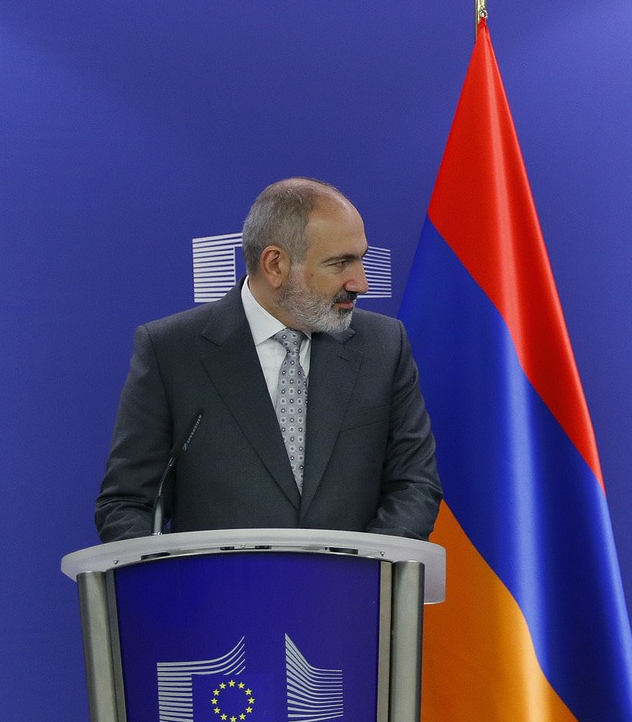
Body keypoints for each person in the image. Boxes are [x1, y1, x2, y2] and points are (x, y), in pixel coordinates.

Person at [95, 177, 442, 542]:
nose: (361, 282)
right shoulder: (172, 351)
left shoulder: (384, 346)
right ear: (275, 265)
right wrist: (165, 573)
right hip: (218, 579)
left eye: (360, 259)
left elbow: (414, 483)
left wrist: (367, 566)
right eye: (341, 263)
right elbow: (127, 503)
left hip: (355, 578)